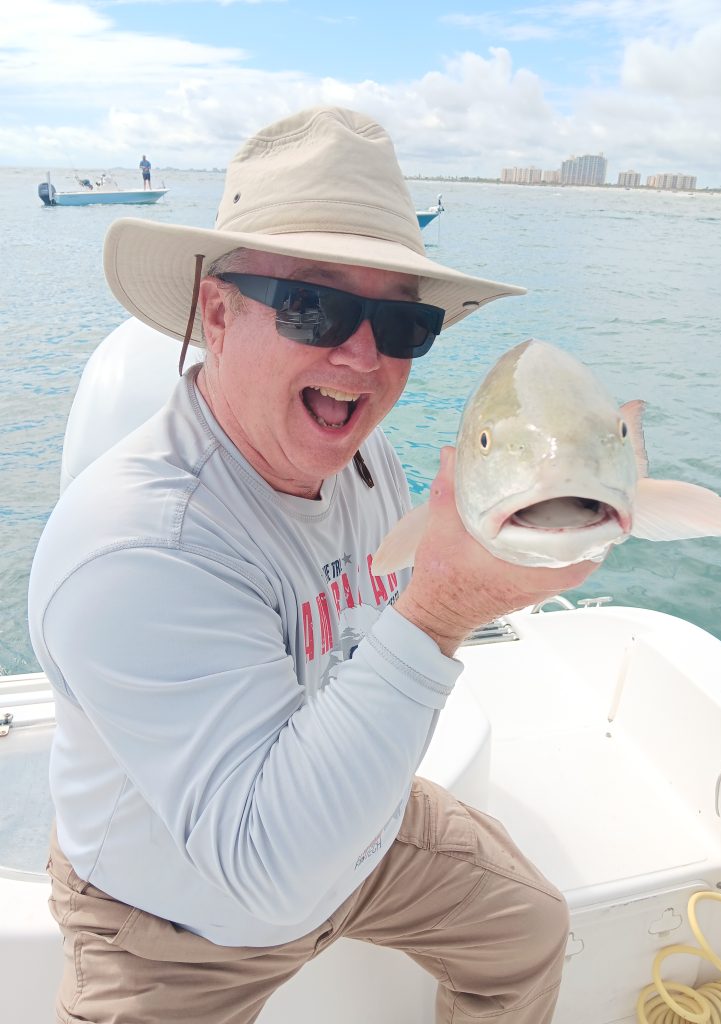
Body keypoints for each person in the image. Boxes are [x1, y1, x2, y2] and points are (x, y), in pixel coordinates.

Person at [29, 106, 598, 1024]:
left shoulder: (364, 459)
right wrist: (445, 606)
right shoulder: (134, 547)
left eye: (402, 321)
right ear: (217, 311)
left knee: (526, 931)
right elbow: (270, 877)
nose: (363, 354)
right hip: (169, 923)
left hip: (355, 836)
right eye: (315, 304)